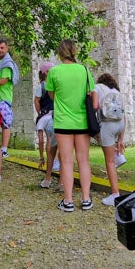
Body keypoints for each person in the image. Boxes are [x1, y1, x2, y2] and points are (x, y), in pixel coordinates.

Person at [45, 39, 94, 211]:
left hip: (63, 122)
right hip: (82, 122)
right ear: (75, 51)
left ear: (60, 52)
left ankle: (68, 201)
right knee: (84, 161)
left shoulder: (54, 71)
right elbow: (90, 93)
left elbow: (51, 95)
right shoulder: (85, 71)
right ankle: (86, 199)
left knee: (66, 162)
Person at [92, 72, 125, 205]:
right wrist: (121, 139)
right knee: (110, 154)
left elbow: (94, 106)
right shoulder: (116, 91)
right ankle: (119, 156)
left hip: (107, 124)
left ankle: (115, 194)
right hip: (120, 123)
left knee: (109, 162)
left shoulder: (96, 88)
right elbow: (124, 113)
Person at [0, 38, 20, 157]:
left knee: (5, 123)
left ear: (6, 48)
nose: (0, 50)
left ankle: (4, 149)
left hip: (3, 98)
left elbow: (4, 80)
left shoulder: (7, 63)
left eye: (2, 48)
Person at [34, 64, 55, 187]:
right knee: (51, 142)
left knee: (46, 141)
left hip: (45, 115)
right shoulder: (47, 85)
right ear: (47, 72)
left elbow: (36, 100)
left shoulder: (41, 86)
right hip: (52, 114)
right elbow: (36, 100)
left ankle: (43, 159)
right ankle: (50, 168)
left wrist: (40, 113)